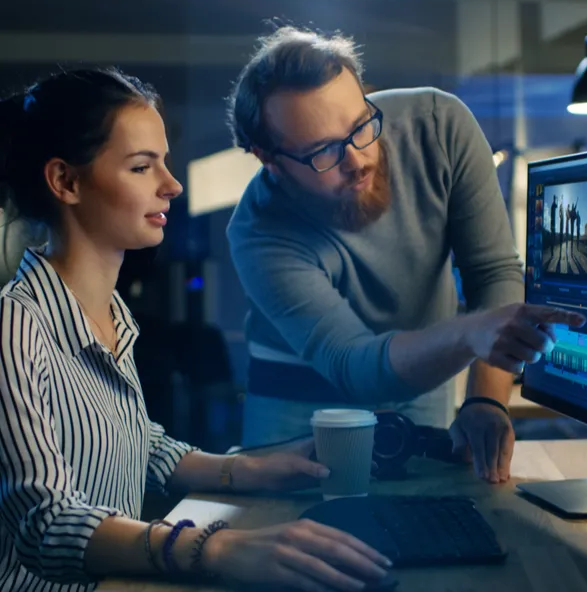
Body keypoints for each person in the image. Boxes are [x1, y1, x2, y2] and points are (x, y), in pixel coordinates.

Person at [0, 68, 392, 592]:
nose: (173, 185)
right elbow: (45, 525)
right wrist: (215, 546)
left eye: (164, 162)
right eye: (142, 167)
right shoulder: (13, 326)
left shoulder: (110, 312)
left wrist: (256, 468)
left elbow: (140, 444)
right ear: (66, 182)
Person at [226, 26, 585, 483]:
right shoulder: (258, 231)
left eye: (360, 127)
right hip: (298, 401)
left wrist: (486, 400)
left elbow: (492, 271)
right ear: (269, 160)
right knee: (293, 536)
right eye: (322, 152)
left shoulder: (439, 125)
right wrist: (469, 334)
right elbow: (352, 363)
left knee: (433, 522)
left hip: (423, 382)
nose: (357, 159)